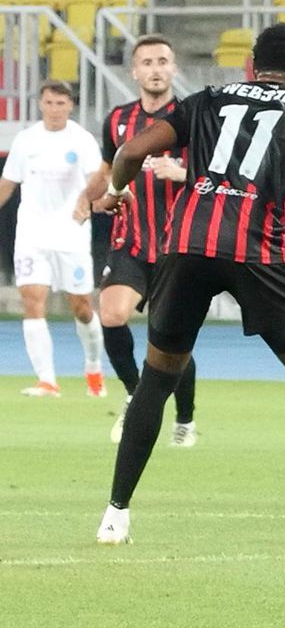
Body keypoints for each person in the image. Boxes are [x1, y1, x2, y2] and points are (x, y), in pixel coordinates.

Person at [91, 23, 285, 552]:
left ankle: (114, 516)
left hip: (185, 246)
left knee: (156, 380)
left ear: (252, 63)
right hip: (258, 251)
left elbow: (132, 150)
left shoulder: (206, 99)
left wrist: (116, 192)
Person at [74, 35, 198, 446]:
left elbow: (221, 176)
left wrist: (182, 173)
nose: (156, 69)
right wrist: (95, 197)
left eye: (163, 61)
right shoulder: (119, 120)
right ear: (135, 71)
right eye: (147, 62)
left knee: (170, 338)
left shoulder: (192, 118)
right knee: (111, 315)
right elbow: (110, 169)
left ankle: (184, 417)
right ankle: (135, 395)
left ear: (174, 68)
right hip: (130, 241)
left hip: (176, 247)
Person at [0, 81, 106, 398]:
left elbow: (96, 180)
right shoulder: (26, 140)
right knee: (32, 303)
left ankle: (93, 367)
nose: (55, 109)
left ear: (70, 106)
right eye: (49, 103)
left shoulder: (82, 141)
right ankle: (47, 380)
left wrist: (91, 203)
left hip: (71, 235)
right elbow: (8, 183)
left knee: (82, 308)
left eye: (61, 103)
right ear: (41, 104)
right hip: (32, 235)